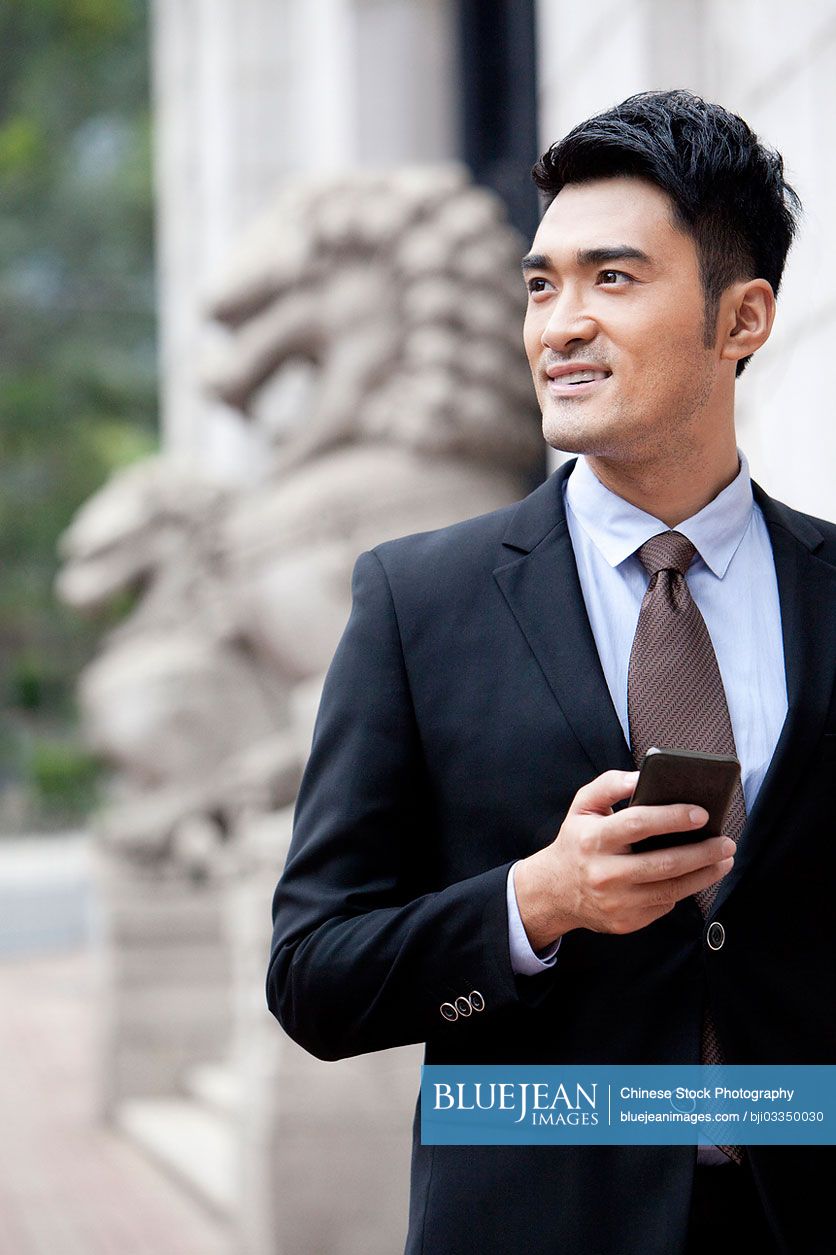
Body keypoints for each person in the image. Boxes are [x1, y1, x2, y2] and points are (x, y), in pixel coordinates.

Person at [266, 90, 836, 1254]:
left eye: (612, 280)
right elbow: (312, 976)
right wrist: (536, 902)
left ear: (741, 318)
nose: (558, 323)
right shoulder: (414, 602)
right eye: (541, 284)